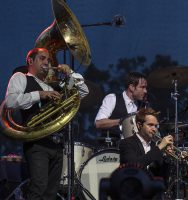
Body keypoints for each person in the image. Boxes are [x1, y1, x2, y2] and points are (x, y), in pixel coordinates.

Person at [4, 47, 89, 200]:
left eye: (48, 60)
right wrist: (40, 94)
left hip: (57, 145)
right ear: (30, 61)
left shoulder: (54, 86)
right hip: (37, 144)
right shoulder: (21, 77)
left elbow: (83, 92)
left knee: (51, 192)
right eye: (42, 58)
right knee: (38, 187)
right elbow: (10, 102)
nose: (47, 62)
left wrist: (70, 73)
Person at [119, 107, 173, 179]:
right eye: (150, 125)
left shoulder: (155, 146)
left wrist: (166, 157)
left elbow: (163, 177)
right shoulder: (126, 143)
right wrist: (159, 147)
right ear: (139, 125)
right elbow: (134, 167)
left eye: (156, 126)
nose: (154, 129)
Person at [94, 72, 147, 138]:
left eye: (145, 88)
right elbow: (99, 123)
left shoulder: (142, 106)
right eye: (142, 87)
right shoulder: (112, 98)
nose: (145, 91)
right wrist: (125, 120)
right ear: (132, 87)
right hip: (112, 146)